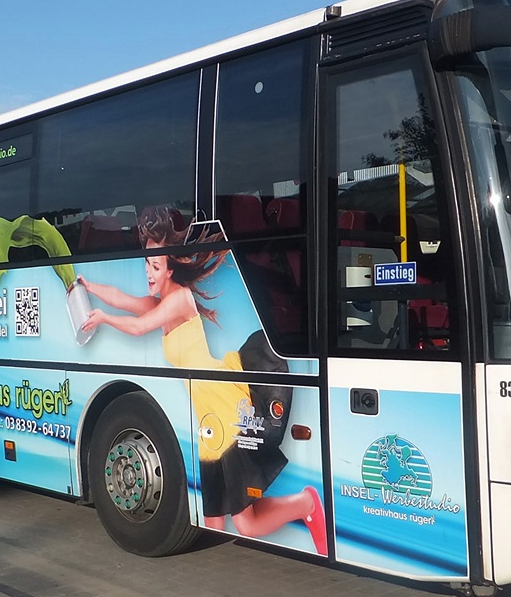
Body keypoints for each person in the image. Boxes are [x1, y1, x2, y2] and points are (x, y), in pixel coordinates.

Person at [78, 204, 327, 556]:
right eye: (146, 263)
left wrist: (103, 318)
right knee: (213, 523)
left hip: (223, 404)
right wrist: (89, 285)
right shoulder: (160, 301)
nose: (149, 272)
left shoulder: (178, 300)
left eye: (155, 265)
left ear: (170, 267)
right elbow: (127, 301)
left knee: (245, 524)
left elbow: (136, 327)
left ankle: (306, 503)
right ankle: (301, 506)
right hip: (208, 419)